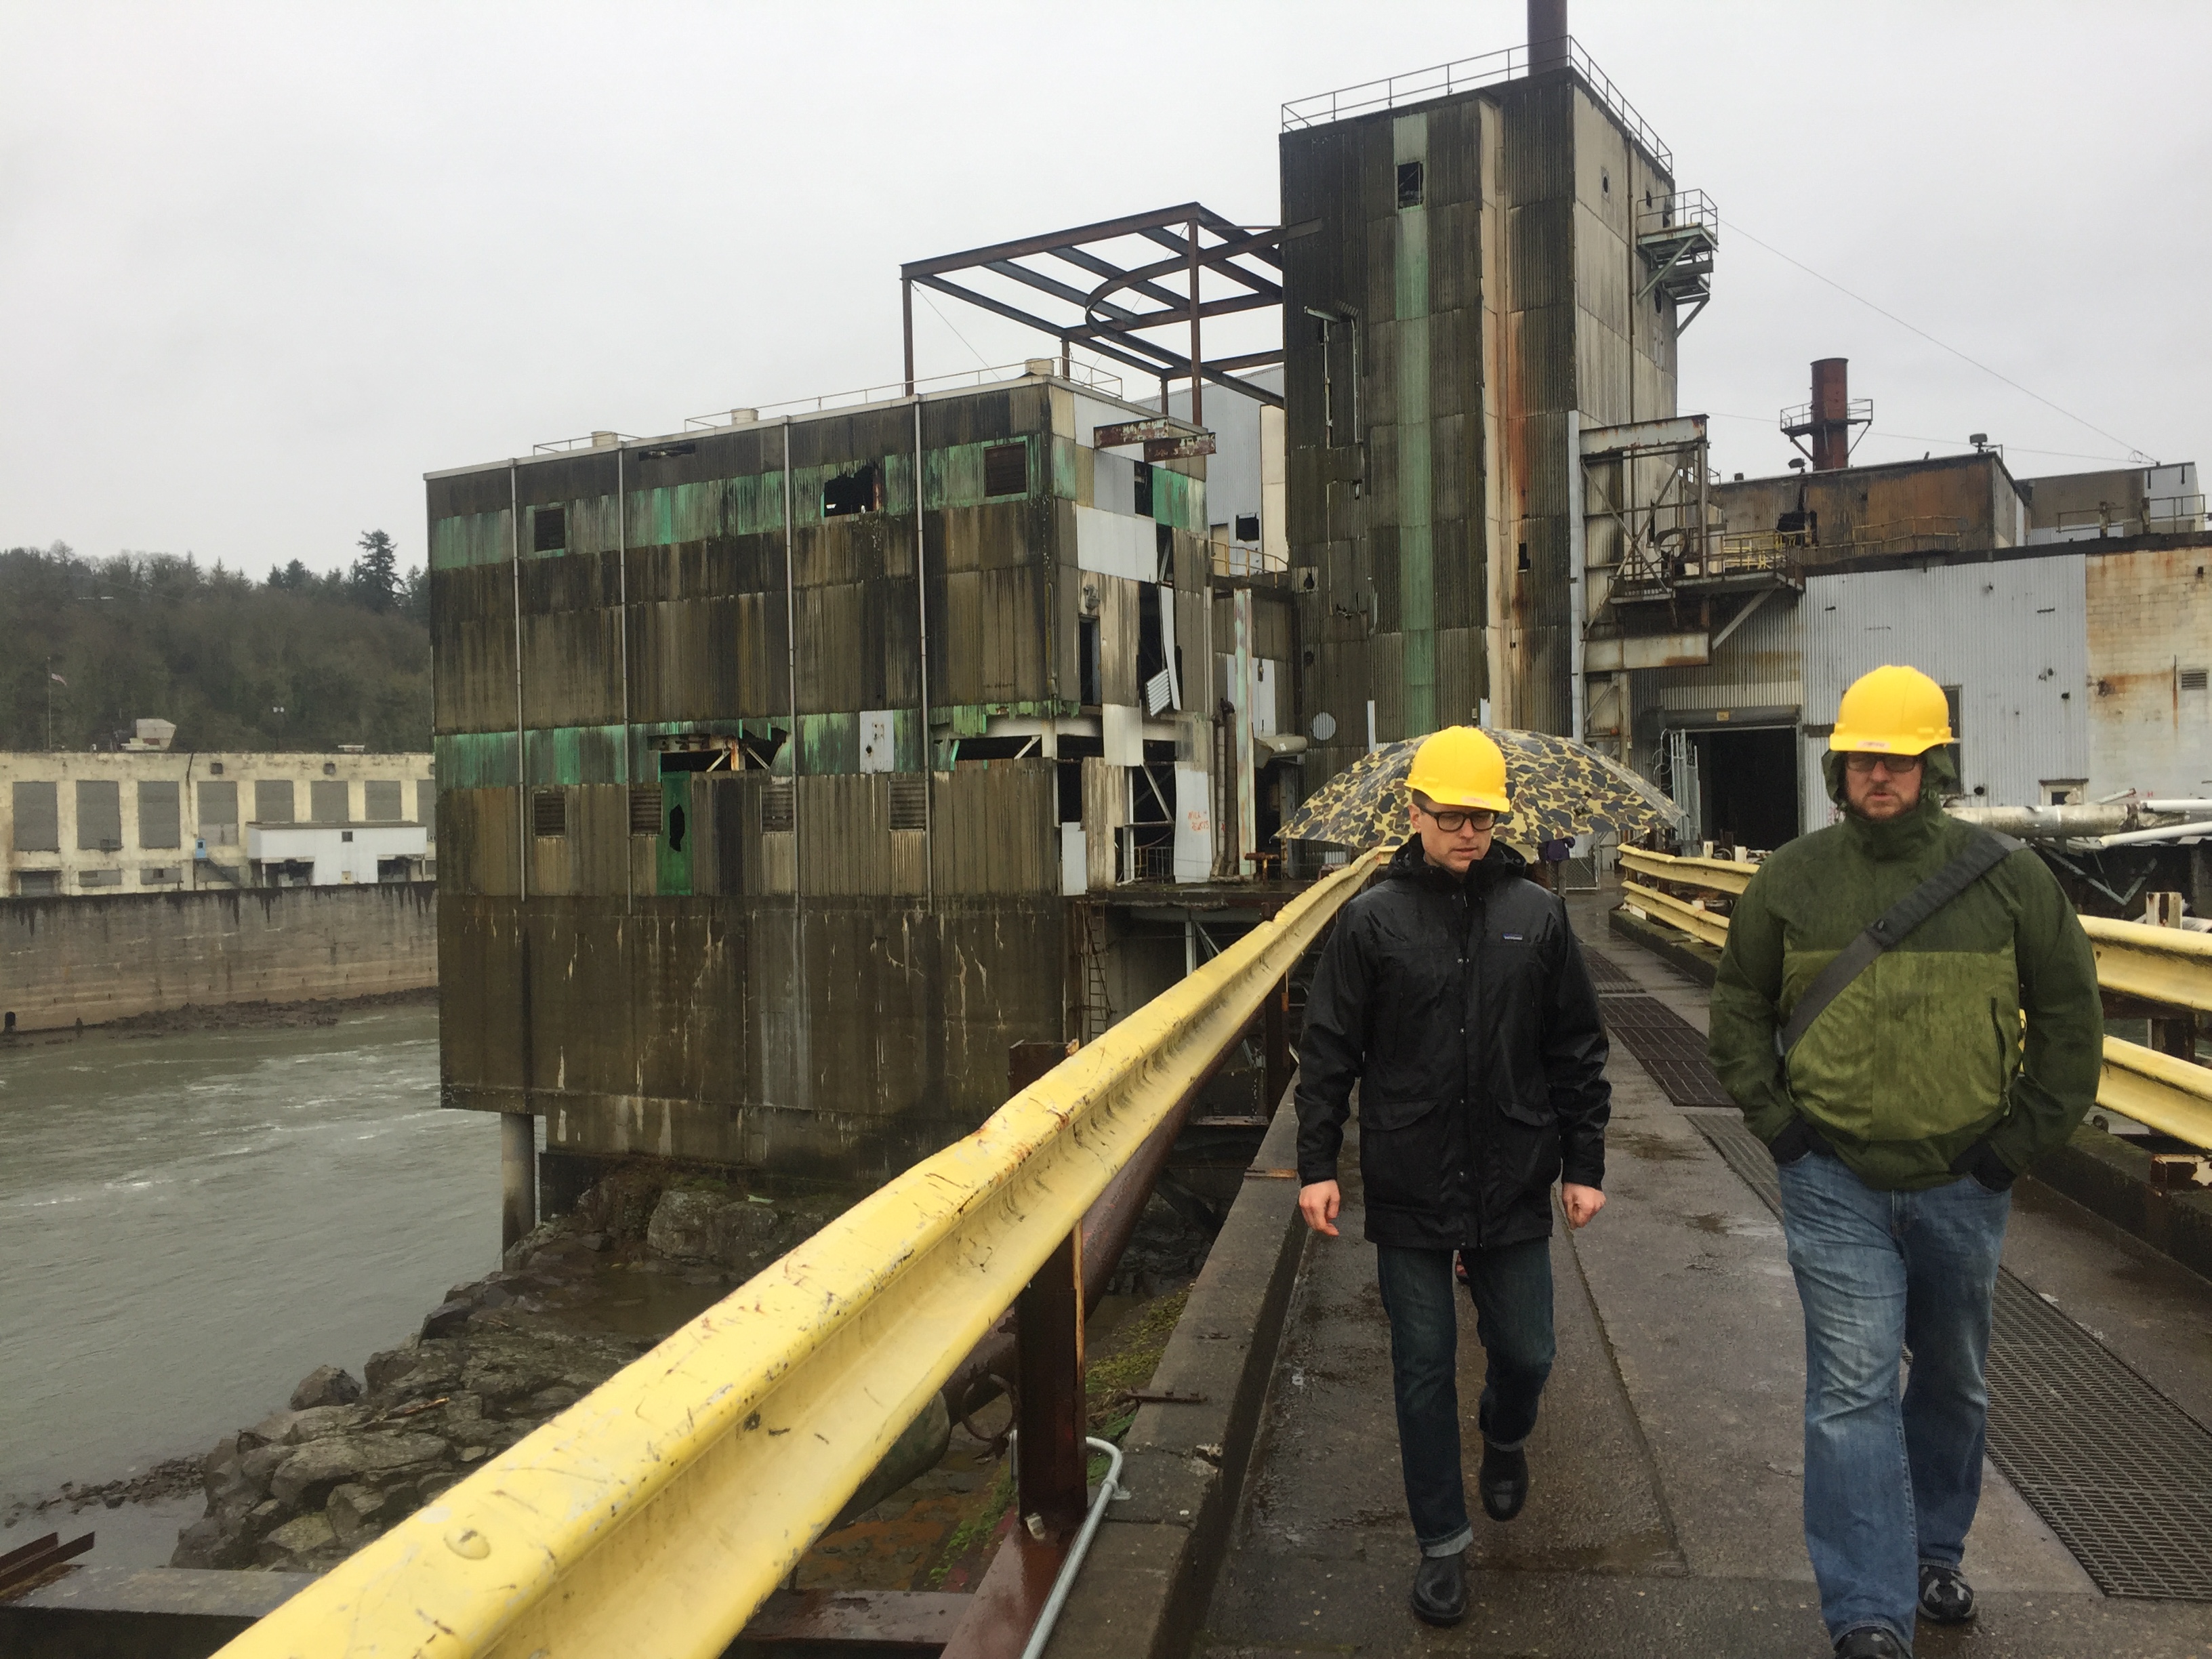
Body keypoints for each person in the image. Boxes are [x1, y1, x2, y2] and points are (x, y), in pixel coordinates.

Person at [1708, 665, 2102, 1659]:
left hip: (1963, 1182)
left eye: (1898, 760)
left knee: (1954, 1382)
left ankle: (1936, 1550)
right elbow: (1738, 1010)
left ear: (1935, 765)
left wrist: (2011, 1151)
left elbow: (2070, 1024)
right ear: (1837, 770)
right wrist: (1781, 1129)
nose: (1877, 776)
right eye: (1859, 761)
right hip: (1832, 1177)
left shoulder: (2010, 880)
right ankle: (1869, 1610)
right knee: (1850, 1388)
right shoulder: (1791, 880)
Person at [1294, 725, 1612, 1628]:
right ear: (1414, 814)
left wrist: (1583, 1163)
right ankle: (1442, 1544)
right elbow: (1328, 1053)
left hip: (1513, 1174)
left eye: (1482, 817)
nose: (1468, 832)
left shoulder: (1537, 916)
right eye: (1450, 816)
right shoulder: (1371, 921)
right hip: (1409, 1177)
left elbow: (1576, 1049)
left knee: (1529, 1351)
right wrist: (1319, 1163)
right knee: (1421, 1364)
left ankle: (1505, 1433)